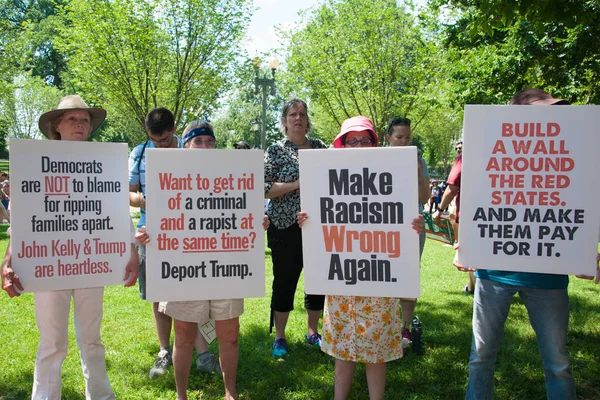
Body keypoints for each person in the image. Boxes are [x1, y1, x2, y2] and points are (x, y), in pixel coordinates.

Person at [0, 94, 139, 400]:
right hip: (48, 262)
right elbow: (24, 216)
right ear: (56, 126)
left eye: (85, 119)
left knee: (91, 338)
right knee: (52, 341)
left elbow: (116, 210)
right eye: (72, 119)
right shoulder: (35, 162)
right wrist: (9, 259)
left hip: (91, 260)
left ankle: (101, 396)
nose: (80, 124)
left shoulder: (104, 164)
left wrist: (131, 251)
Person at [456, 88, 584, 400]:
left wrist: (580, 250)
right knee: (480, 358)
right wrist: (465, 244)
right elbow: (479, 199)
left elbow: (577, 202)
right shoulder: (489, 152)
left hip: (549, 277)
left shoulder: (570, 155)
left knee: (558, 363)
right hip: (493, 274)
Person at [135, 120, 270, 400]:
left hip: (226, 268)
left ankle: (230, 392)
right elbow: (161, 219)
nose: (205, 146)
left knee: (230, 334)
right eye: (198, 141)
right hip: (184, 268)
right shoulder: (168, 177)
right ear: (185, 146)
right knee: (183, 335)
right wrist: (150, 234)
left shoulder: (232, 176)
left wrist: (256, 221)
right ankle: (181, 395)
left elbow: (242, 212)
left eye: (210, 141)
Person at [298, 115, 424, 400]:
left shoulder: (391, 175)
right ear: (341, 145)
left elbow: (402, 219)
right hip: (342, 282)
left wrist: (414, 226)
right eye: (350, 140)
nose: (357, 144)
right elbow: (322, 220)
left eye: (363, 139)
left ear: (374, 142)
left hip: (379, 282)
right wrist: (309, 220)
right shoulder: (327, 177)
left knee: (376, 353)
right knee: (343, 352)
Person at [128, 108, 219, 378]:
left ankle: (202, 352)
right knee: (159, 294)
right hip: (152, 231)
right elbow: (128, 192)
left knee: (193, 288)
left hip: (191, 230)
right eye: (155, 140)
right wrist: (144, 200)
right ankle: (165, 350)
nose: (161, 145)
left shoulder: (191, 148)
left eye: (166, 140)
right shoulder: (140, 152)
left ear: (175, 131)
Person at [264, 98, 327, 357]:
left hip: (316, 227)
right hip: (284, 227)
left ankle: (313, 331)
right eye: (292, 114)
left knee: (317, 281)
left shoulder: (321, 148)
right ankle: (280, 337)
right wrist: (297, 183)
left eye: (302, 113)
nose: (298, 118)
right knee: (284, 281)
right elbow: (265, 188)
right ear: (285, 121)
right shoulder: (276, 150)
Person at [385, 116, 429, 351]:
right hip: (386, 227)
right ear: (388, 137)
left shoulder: (418, 159)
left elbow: (424, 198)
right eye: (399, 137)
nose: (404, 142)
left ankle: (404, 328)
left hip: (412, 226)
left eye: (408, 137)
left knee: (409, 275)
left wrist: (419, 174)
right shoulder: (379, 159)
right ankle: (387, 324)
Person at [433, 149, 475, 294]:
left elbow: (452, 187)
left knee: (471, 255)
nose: (459, 150)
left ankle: (473, 288)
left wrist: (439, 210)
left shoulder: (463, 159)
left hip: (469, 217)